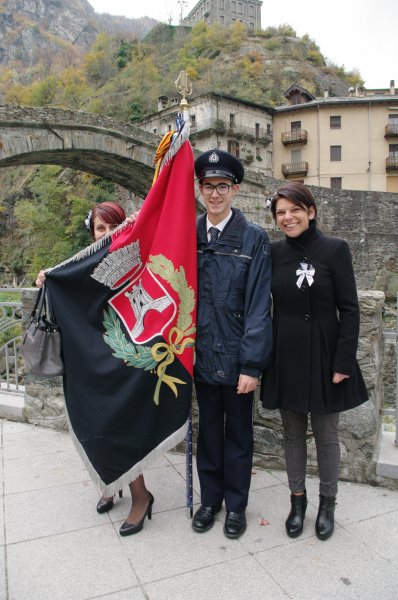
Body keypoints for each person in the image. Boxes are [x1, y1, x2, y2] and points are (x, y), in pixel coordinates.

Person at [36, 201, 153, 536]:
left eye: (113, 226)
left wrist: (135, 226)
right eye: (100, 229)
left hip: (124, 356)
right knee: (95, 420)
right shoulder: (83, 265)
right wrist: (48, 278)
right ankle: (108, 483)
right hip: (88, 357)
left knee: (123, 424)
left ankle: (141, 496)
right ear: (92, 233)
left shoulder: (135, 254)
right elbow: (65, 282)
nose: (107, 234)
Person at [261, 181, 368, 541]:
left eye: (294, 210)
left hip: (325, 355)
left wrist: (343, 362)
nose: (287, 218)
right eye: (280, 213)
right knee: (292, 435)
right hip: (286, 353)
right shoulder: (273, 253)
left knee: (325, 435)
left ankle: (327, 504)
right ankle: (297, 502)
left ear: (311, 211)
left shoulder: (335, 250)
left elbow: (350, 310)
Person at [192, 149, 272, 539]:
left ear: (236, 189)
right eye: (208, 186)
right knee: (208, 431)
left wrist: (251, 365)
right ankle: (210, 500)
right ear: (200, 189)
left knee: (238, 435)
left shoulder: (254, 238)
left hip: (238, 358)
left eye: (223, 186)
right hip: (199, 355)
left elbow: (259, 306)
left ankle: (236, 506)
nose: (215, 194)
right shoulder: (187, 233)